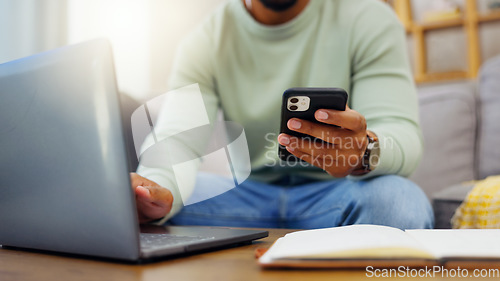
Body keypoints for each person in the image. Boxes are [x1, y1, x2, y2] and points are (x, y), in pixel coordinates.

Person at [131, 0, 434, 229]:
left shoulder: (368, 17)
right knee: (155, 204)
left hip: (340, 192)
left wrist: (363, 151)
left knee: (400, 203)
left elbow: (401, 132)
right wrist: (155, 189)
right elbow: (178, 140)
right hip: (247, 194)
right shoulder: (204, 40)